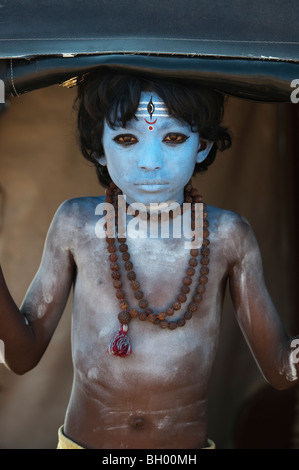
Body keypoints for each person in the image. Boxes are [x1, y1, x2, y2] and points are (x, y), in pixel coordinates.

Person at [0, 69, 298, 450]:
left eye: (174, 138)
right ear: (98, 148)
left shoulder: (227, 236)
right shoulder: (76, 224)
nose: (150, 161)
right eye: (126, 138)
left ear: (203, 145)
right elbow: (21, 356)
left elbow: (279, 370)